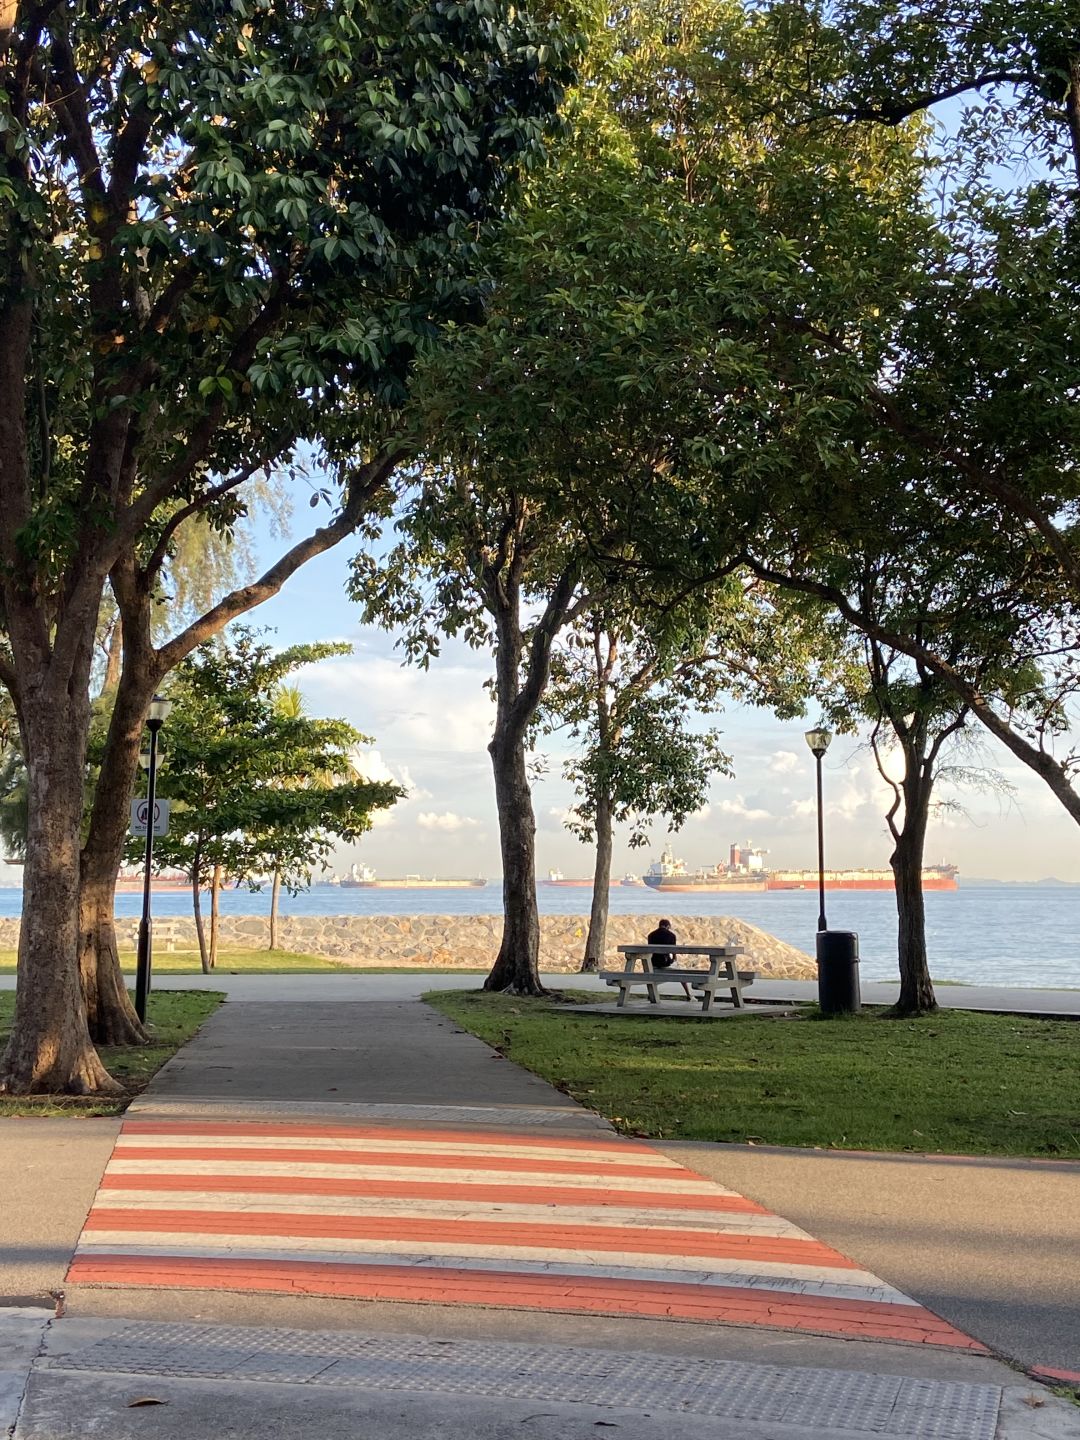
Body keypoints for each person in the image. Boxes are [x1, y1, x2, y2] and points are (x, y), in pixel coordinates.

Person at [646, 917, 693, 1000]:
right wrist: (674, 959)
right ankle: (689, 995)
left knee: (652, 977)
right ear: (667, 926)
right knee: (681, 973)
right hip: (665, 962)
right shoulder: (671, 935)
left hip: (653, 963)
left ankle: (651, 994)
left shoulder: (651, 935)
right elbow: (673, 951)